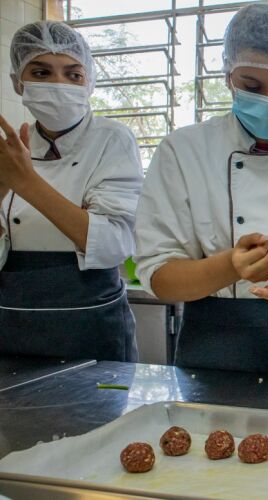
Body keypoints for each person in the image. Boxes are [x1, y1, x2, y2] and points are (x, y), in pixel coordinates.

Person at [134, 4, 268, 375]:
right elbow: (160, 278)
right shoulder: (184, 151)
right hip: (213, 345)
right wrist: (229, 266)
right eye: (251, 86)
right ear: (228, 74)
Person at [0, 21, 142, 361]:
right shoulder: (11, 150)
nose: (59, 85)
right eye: (42, 72)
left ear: (89, 82)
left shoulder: (112, 140)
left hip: (91, 324)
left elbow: (111, 246)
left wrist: (27, 184)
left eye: (73, 74)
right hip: (13, 323)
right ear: (18, 83)